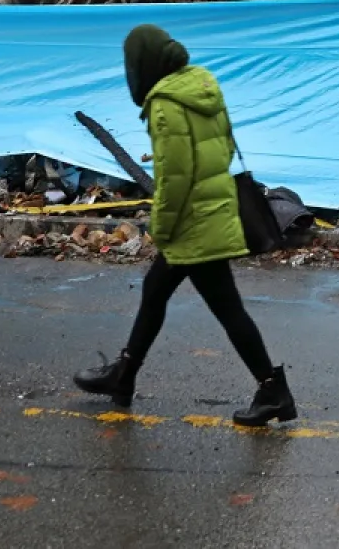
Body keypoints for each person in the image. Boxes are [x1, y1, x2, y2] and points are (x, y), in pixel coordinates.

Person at [73, 24, 297, 428]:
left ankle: (272, 389)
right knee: (156, 290)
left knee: (225, 307)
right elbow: (224, 149)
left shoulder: (165, 104)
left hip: (193, 222)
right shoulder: (202, 85)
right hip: (211, 212)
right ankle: (124, 375)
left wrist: (161, 224)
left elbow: (174, 177)